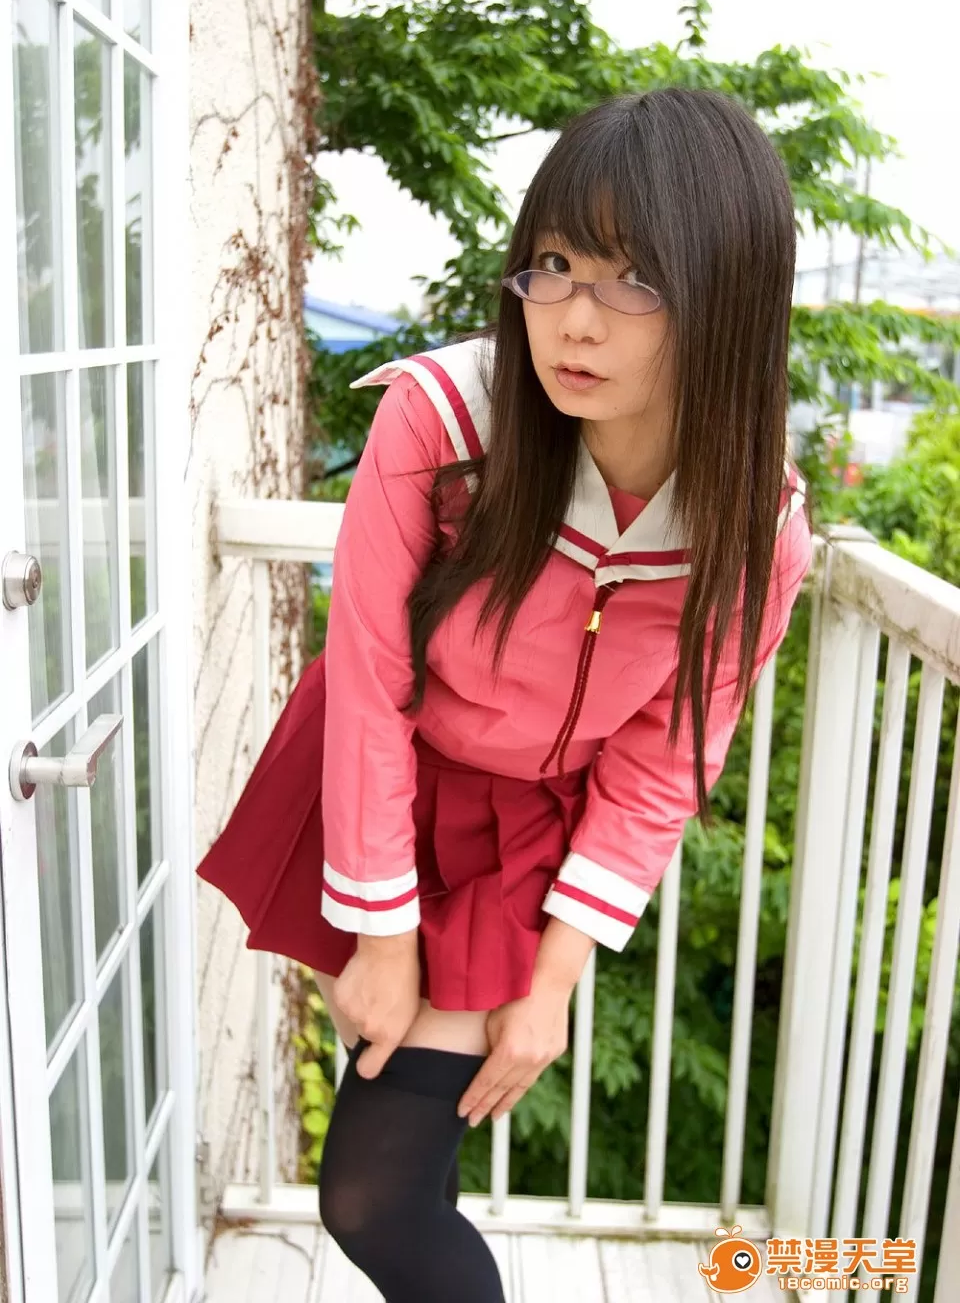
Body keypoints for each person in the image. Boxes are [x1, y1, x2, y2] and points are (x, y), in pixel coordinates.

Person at [196, 86, 813, 1302]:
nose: (574, 318)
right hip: (378, 784)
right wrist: (384, 938)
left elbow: (661, 765)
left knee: (372, 1194)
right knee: (404, 1162)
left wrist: (554, 984)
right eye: (556, 263)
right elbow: (370, 678)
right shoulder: (444, 423)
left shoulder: (753, 530)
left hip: (526, 828)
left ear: (728, 298)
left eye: (635, 280)